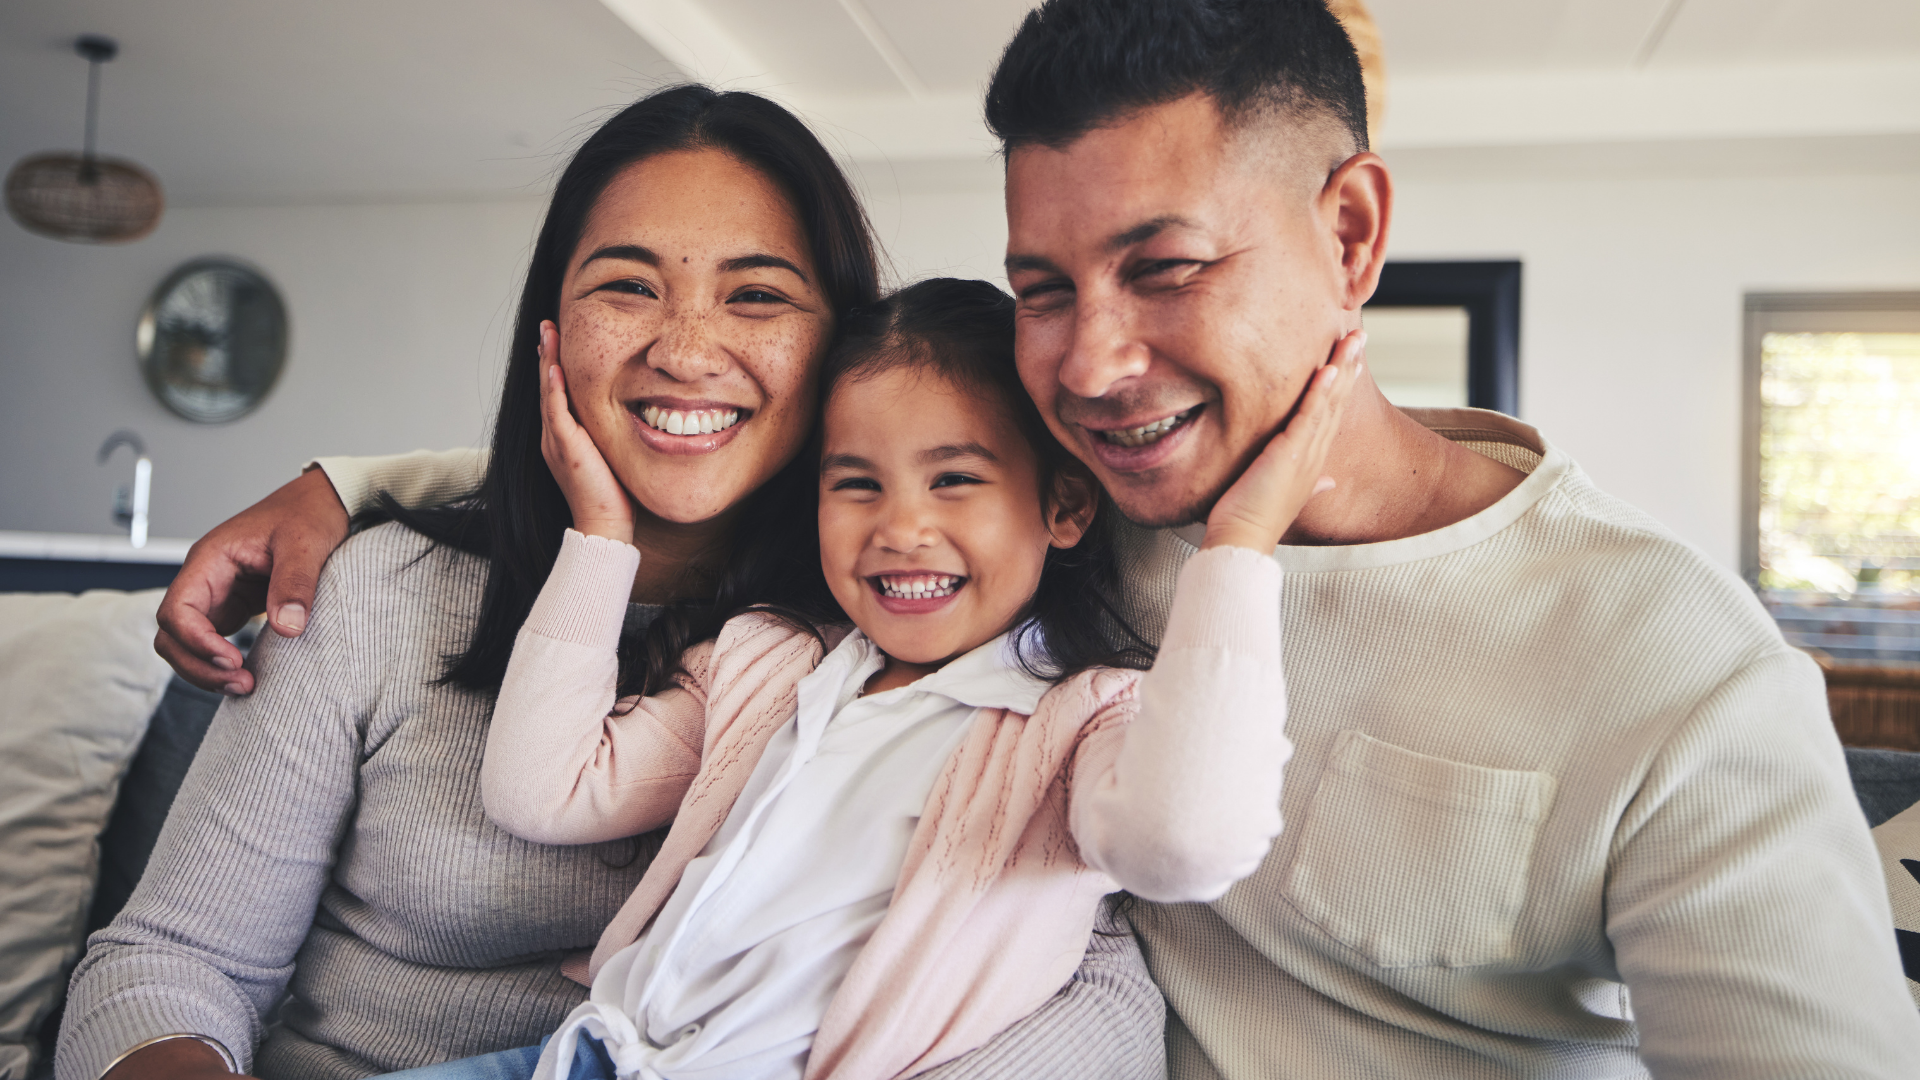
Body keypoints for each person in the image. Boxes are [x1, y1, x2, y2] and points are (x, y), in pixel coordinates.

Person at [150, 1, 1920, 1076]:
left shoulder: (1678, 678)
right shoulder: (1046, 539)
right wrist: (350, 476)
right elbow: (743, 441)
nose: (1092, 362)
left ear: (1356, 231)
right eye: (1044, 291)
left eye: (1166, 271)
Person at [56, 87, 1164, 1080]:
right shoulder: (374, 593)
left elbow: (1089, 974)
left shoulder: (900, 629)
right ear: (553, 327)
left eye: (757, 297)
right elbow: (173, 959)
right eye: (628, 286)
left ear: (845, 352)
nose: (685, 350)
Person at [381, 277, 1350, 1080]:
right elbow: (541, 790)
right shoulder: (767, 664)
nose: (899, 526)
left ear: (1062, 506)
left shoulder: (1080, 727)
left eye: (955, 479)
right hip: (583, 1055)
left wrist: (1238, 546)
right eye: (856, 482)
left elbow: (1185, 846)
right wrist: (600, 534)